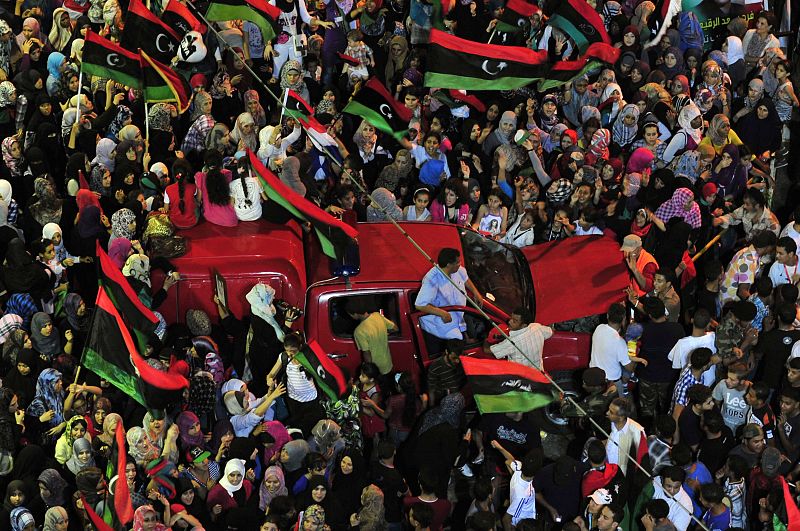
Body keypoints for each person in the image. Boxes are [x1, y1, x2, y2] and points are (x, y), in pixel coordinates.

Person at [415, 247, 484, 345]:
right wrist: (443, 313)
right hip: (441, 326)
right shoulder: (432, 279)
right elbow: (420, 305)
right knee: (458, 348)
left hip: (457, 318)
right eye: (457, 262)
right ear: (448, 265)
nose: (460, 264)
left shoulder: (458, 270)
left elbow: (466, 279)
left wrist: (476, 293)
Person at [484, 307, 552, 370]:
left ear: (524, 325)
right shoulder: (537, 327)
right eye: (511, 318)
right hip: (538, 374)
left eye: (514, 321)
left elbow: (487, 350)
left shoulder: (512, 342)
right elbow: (550, 332)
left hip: (521, 378)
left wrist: (485, 339)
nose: (510, 322)